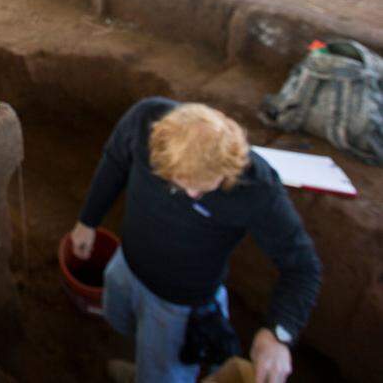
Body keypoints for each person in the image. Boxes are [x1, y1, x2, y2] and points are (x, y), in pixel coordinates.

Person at [70, 99, 321, 383]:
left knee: (164, 371)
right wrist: (88, 221)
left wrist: (279, 333)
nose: (190, 194)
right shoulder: (144, 120)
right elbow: (115, 160)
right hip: (125, 264)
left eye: (202, 186)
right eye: (181, 182)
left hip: (177, 303)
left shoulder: (257, 189)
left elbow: (302, 266)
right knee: (122, 320)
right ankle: (143, 370)